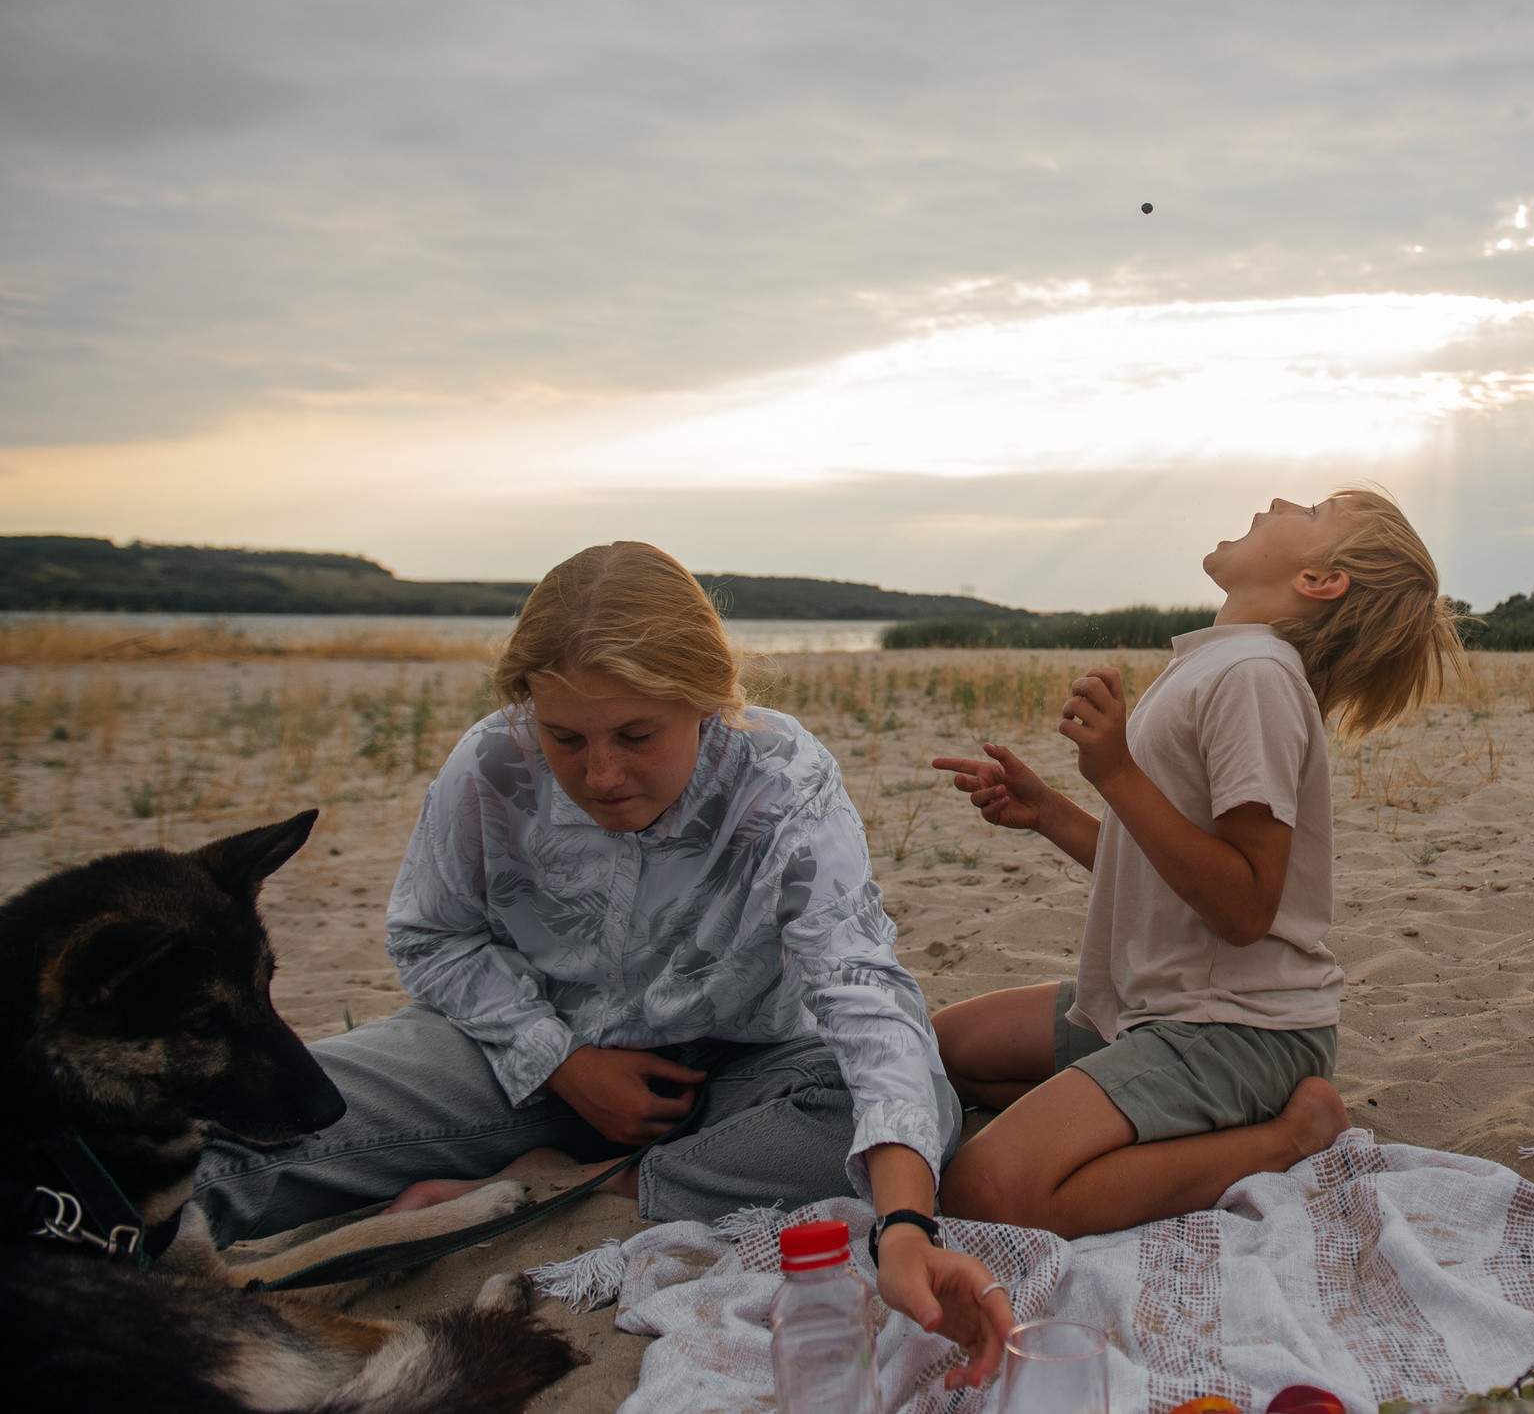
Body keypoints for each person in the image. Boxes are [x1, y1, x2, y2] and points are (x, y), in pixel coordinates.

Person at [192, 541, 1013, 1385]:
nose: (601, 772)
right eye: (565, 736)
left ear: (704, 699)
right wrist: (564, 1061)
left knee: (918, 1112)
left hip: (742, 1071)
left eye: (635, 733)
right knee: (261, 1116)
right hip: (513, 1056)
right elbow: (430, 936)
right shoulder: (489, 765)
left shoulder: (783, 777)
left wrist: (905, 1226)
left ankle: (577, 1184)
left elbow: (861, 983)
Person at [925, 489, 1461, 1237]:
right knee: (941, 1049)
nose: (1278, 499)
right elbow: (1166, 869)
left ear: (1319, 578)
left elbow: (1244, 906)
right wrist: (1047, 811)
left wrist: (1116, 773)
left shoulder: (1256, 680)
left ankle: (1291, 1135)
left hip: (1238, 1026)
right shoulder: (1223, 665)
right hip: (1163, 999)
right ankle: (1156, 1114)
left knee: (987, 1189)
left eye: (1309, 509)